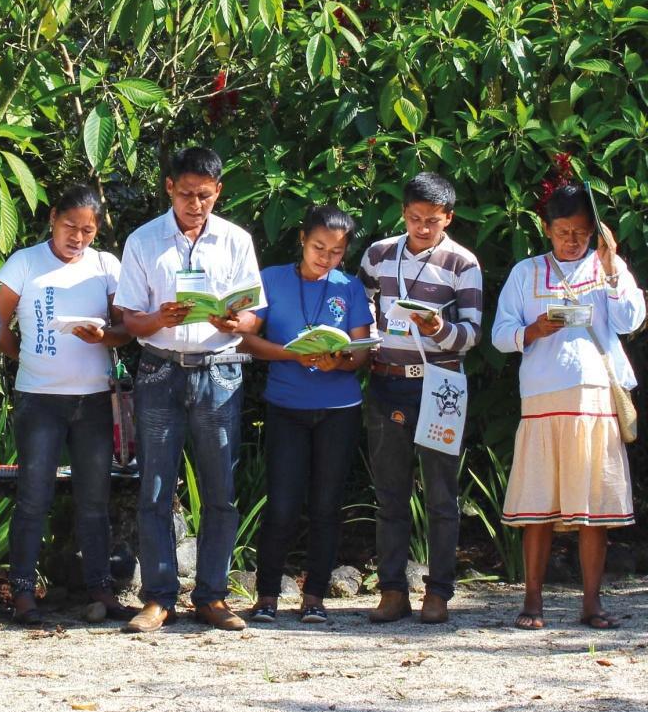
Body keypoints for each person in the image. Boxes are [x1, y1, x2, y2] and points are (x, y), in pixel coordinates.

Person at [113, 147, 263, 633]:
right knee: (155, 486)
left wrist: (233, 320)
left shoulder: (236, 240)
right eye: (185, 194)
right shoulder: (143, 240)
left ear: (219, 191)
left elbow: (255, 314)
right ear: (168, 189)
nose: (195, 205)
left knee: (220, 488)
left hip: (218, 369)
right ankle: (158, 597)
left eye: (204, 195)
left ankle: (213, 596)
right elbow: (129, 317)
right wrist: (159, 318)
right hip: (160, 369)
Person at [492, 184, 644, 630]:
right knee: (538, 505)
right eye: (562, 231)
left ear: (595, 232)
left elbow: (630, 321)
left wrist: (612, 267)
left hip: (595, 398)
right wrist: (534, 330)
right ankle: (533, 601)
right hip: (541, 397)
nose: (572, 240)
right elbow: (501, 334)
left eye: (580, 231)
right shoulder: (526, 272)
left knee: (592, 506)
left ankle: (592, 603)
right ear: (546, 229)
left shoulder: (608, 268)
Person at [0, 184, 134, 625]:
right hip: (39, 399)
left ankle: (100, 588)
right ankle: (21, 592)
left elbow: (125, 326)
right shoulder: (25, 262)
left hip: (92, 399)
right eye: (70, 226)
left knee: (94, 498)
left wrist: (104, 338)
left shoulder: (106, 266)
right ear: (53, 217)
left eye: (88, 231)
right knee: (34, 497)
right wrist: (25, 356)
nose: (78, 237)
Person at [358, 171, 482, 624]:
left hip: (442, 383)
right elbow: (361, 308)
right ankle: (392, 589)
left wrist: (439, 329)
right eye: (414, 218)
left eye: (433, 220)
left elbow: (471, 335)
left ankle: (439, 593)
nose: (423, 228)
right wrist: (369, 339)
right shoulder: (378, 254)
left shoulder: (462, 264)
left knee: (440, 494)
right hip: (388, 379)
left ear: (448, 217)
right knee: (389, 491)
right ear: (403, 213)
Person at [239, 205, 373, 624]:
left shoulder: (348, 288)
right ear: (302, 238)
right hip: (286, 406)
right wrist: (290, 355)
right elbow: (246, 339)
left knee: (326, 504)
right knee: (281, 503)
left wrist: (342, 361)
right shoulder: (273, 279)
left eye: (336, 252)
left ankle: (314, 596)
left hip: (338, 409)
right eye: (319, 247)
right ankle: (266, 596)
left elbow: (362, 348)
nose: (326, 257)